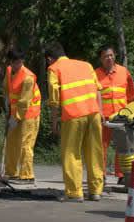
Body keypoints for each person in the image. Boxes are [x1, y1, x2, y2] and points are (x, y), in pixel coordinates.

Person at [45, 42, 105, 202]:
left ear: (50, 59)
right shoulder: (86, 65)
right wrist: (100, 111)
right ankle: (96, 191)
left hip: (73, 115)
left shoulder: (54, 69)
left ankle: (74, 192)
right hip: (93, 113)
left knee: (71, 153)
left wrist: (54, 122)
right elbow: (98, 89)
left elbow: (54, 99)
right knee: (94, 153)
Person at [94, 45, 134, 185]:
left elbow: (131, 94)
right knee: (101, 147)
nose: (109, 58)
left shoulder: (124, 72)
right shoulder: (95, 74)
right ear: (101, 58)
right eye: (106, 56)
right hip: (103, 116)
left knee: (123, 146)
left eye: (111, 55)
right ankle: (101, 174)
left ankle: (122, 174)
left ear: (115, 56)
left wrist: (131, 112)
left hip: (121, 116)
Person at [3, 48, 41, 183]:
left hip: (30, 113)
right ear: (10, 62)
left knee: (26, 143)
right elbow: (7, 87)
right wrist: (6, 101)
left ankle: (27, 175)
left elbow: (24, 101)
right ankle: (11, 172)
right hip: (15, 112)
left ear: (22, 61)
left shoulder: (28, 78)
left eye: (20, 62)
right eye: (15, 62)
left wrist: (16, 118)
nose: (17, 65)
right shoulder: (8, 71)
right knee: (11, 142)